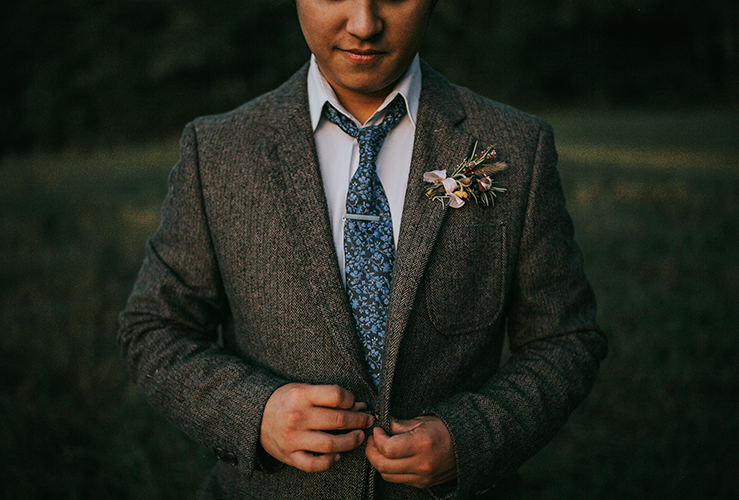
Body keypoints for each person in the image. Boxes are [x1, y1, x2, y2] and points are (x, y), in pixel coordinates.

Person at [118, 1, 607, 498]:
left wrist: (472, 437)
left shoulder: (517, 148)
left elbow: (565, 337)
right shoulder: (218, 151)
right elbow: (156, 327)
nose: (364, 24)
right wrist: (254, 412)